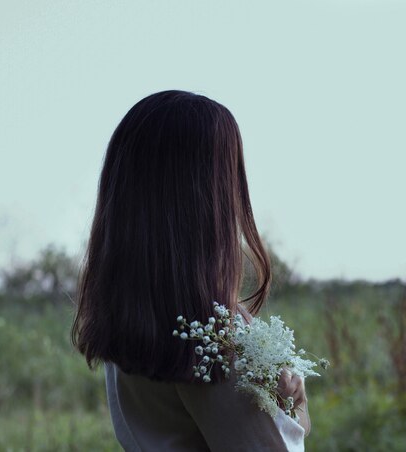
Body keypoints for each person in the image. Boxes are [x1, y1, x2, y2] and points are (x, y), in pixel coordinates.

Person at [71, 90, 310, 451]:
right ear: (209, 200)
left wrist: (291, 402)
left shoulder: (133, 319)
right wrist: (295, 407)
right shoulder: (216, 341)